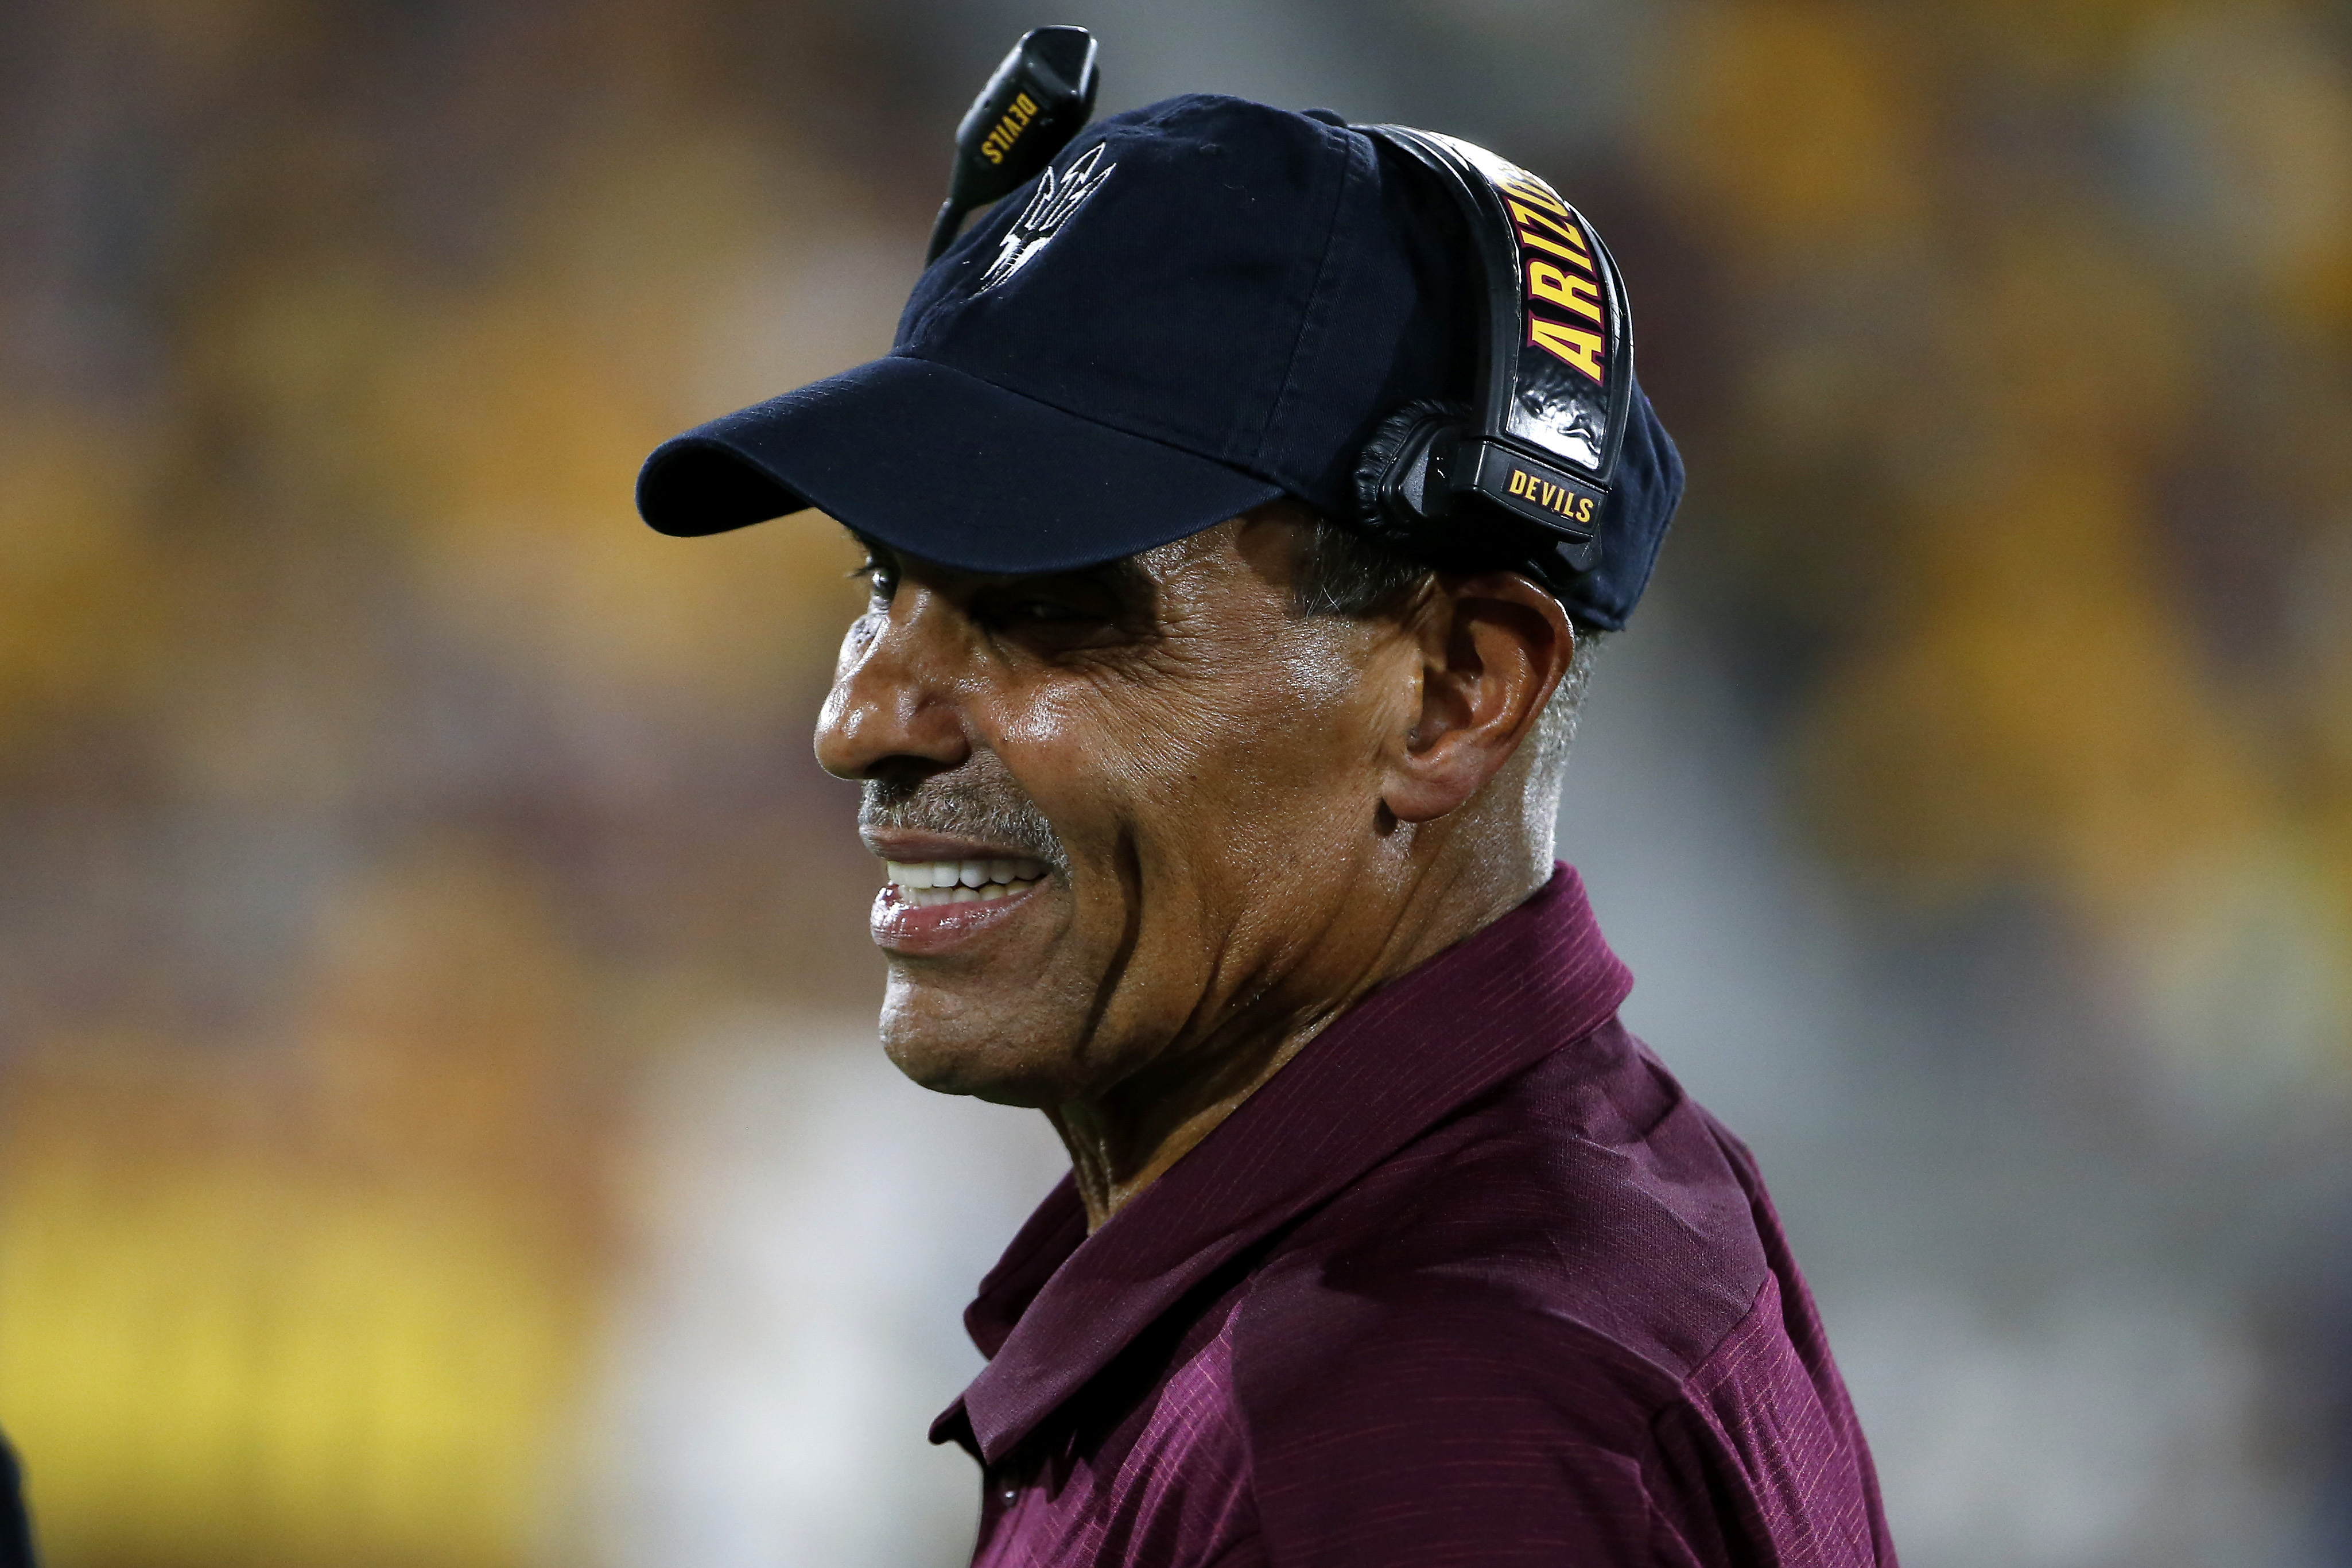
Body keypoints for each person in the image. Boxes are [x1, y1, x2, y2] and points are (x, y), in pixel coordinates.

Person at [637, 94, 1896, 1567]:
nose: (861, 720)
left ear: (1453, 694)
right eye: (879, 584)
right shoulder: (1500, 1220)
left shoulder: (1409, 1427)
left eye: (1045, 604)